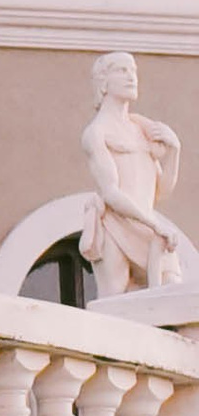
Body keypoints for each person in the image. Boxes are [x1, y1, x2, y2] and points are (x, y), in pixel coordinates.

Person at [81, 50, 187, 294]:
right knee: (114, 301)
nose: (131, 77)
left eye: (133, 71)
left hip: (148, 227)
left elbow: (161, 191)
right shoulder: (97, 132)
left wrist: (174, 151)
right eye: (122, 70)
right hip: (116, 226)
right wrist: (154, 225)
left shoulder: (140, 127)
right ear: (103, 82)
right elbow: (110, 192)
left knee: (172, 288)